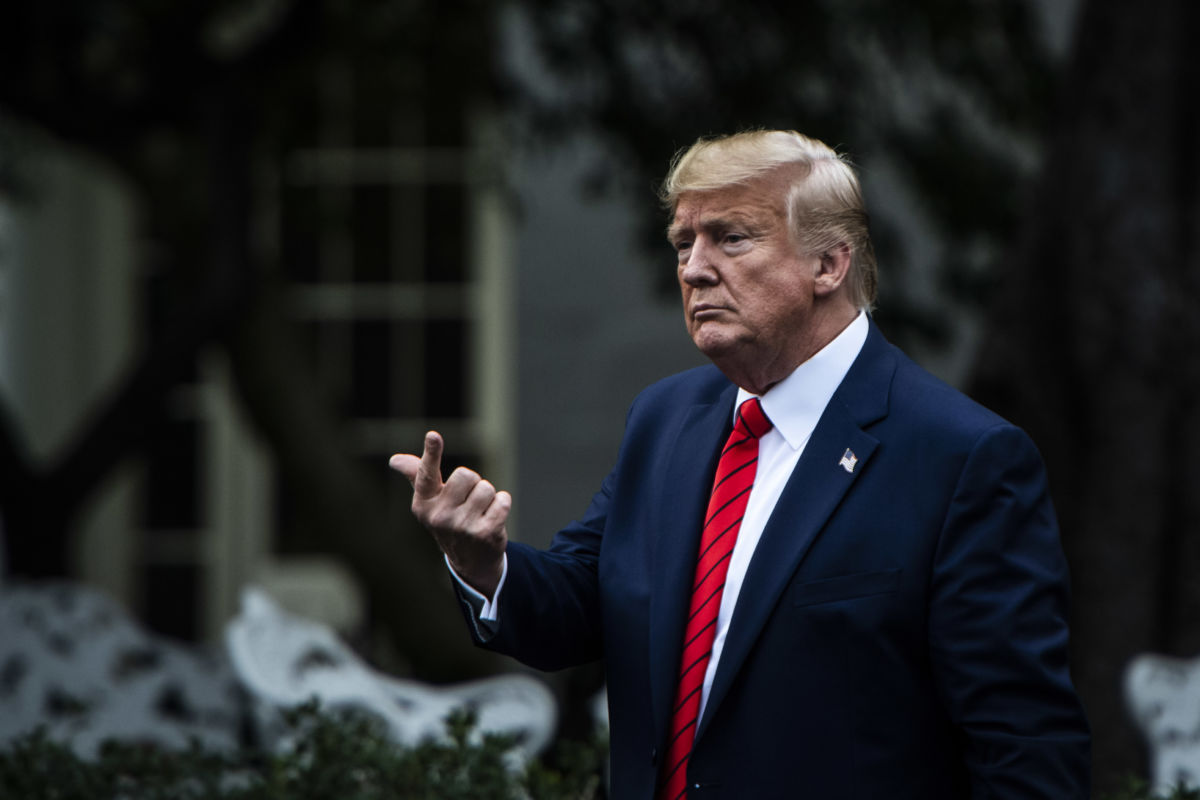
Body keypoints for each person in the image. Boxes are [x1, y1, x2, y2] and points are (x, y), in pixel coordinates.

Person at [390, 130, 1090, 799]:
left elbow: (1024, 745)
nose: (694, 268)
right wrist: (485, 565)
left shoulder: (963, 458)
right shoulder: (666, 421)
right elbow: (585, 601)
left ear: (828, 264)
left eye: (731, 237)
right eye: (683, 242)